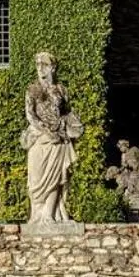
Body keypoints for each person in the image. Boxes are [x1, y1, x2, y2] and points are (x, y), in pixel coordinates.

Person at [21, 52, 81, 223]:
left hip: (58, 139)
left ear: (53, 68)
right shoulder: (32, 89)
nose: (40, 68)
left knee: (55, 177)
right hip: (39, 138)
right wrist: (46, 131)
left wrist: (68, 127)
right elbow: (30, 115)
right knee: (36, 178)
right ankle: (36, 214)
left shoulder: (61, 90)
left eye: (44, 65)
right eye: (38, 65)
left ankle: (49, 214)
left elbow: (67, 113)